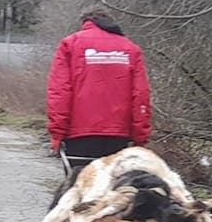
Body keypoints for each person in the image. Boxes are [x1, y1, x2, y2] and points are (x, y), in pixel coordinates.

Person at [45, 10, 152, 177]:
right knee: (110, 190)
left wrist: (57, 134)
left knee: (79, 189)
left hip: (79, 135)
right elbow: (140, 96)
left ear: (85, 23)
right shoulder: (130, 49)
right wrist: (140, 137)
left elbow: (60, 93)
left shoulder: (70, 44)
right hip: (118, 136)